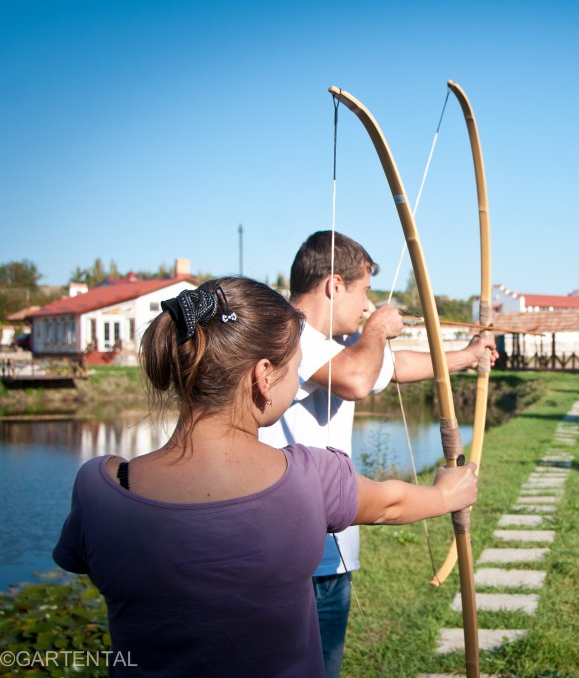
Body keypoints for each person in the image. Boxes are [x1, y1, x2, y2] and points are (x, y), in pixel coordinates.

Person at [52, 277, 477, 678]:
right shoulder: (312, 477)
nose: (297, 379)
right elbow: (388, 504)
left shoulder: (100, 488)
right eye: (294, 368)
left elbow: (77, 557)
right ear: (263, 376)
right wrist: (445, 495)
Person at [259, 231, 495, 677]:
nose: (368, 304)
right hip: (289, 556)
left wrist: (467, 355)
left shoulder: (336, 346)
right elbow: (357, 380)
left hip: (331, 558)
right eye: (364, 290)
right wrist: (376, 330)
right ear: (334, 285)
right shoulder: (286, 334)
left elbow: (395, 366)